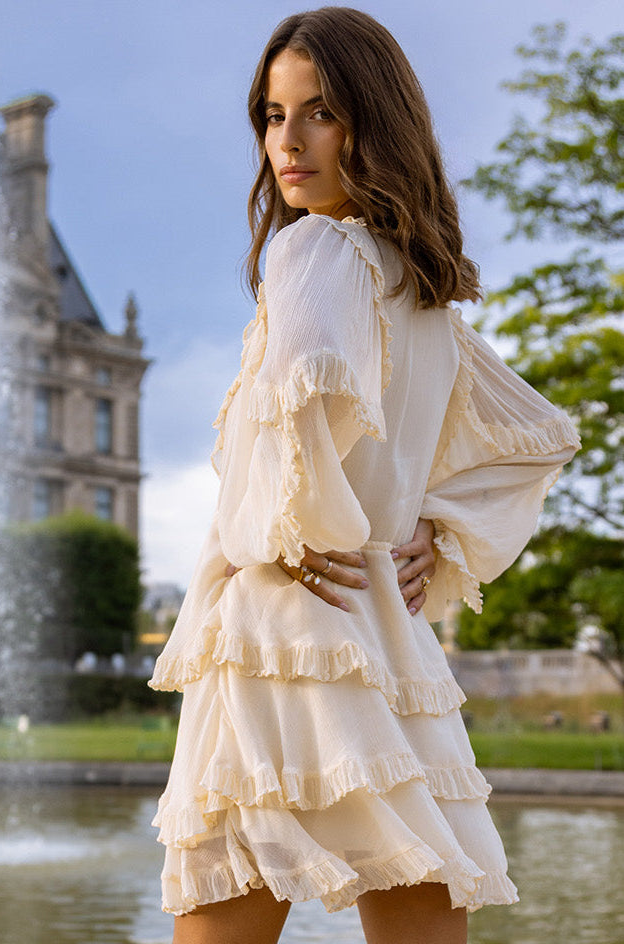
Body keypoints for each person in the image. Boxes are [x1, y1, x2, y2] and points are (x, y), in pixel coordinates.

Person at [149, 8, 580, 943]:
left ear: (373, 122)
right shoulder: (423, 295)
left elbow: (291, 419)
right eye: (273, 115)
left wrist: (288, 525)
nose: (288, 142)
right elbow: (537, 439)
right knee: (420, 903)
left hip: (279, 631)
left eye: (321, 113)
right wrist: (434, 526)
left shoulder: (311, 250)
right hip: (384, 636)